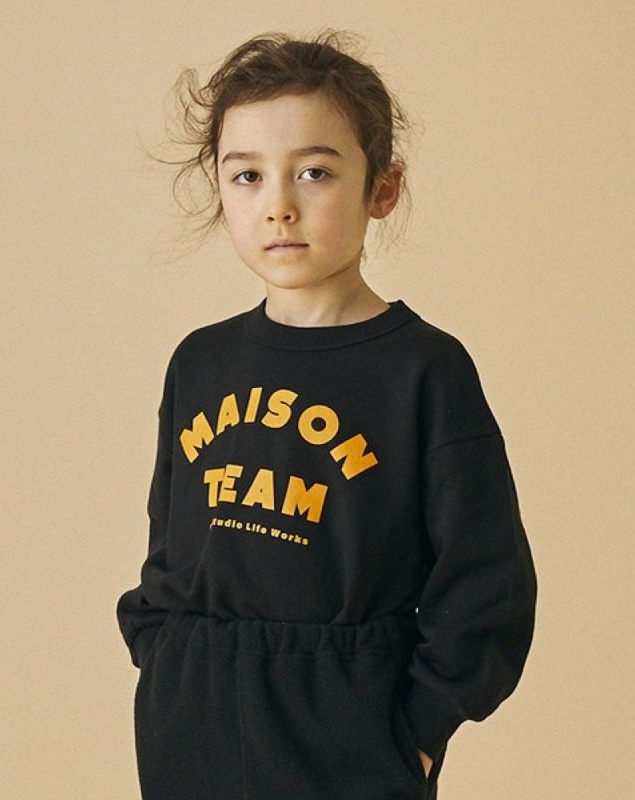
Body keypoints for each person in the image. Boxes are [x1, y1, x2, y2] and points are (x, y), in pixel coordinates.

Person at [116, 29, 537, 800]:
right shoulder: (201, 363)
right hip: (191, 724)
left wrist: (417, 731)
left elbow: (487, 581)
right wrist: (163, 653)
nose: (279, 206)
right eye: (247, 175)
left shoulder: (423, 371)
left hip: (348, 734)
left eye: (313, 172)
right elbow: (171, 546)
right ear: (219, 189)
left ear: (382, 189)